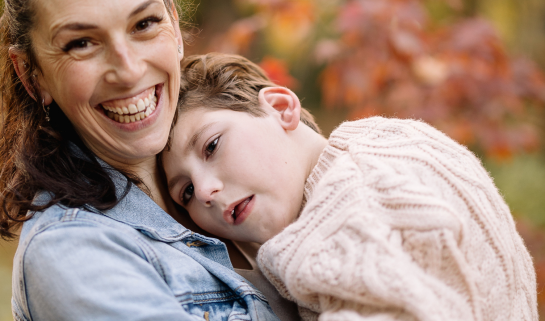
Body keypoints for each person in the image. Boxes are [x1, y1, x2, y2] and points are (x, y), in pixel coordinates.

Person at [0, 0, 296, 320]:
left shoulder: (235, 147)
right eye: (81, 43)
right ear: (32, 76)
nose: (128, 70)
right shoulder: (72, 251)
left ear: (175, 28)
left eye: (144, 23)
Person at [161, 53, 538, 321]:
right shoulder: (387, 145)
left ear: (279, 107)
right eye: (186, 193)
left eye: (211, 146)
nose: (206, 191)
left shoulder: (354, 195)